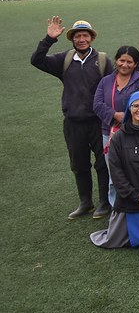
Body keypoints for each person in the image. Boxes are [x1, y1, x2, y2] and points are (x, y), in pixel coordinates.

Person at [32, 17, 114, 219]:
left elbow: (112, 89)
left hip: (98, 122)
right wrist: (49, 39)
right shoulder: (65, 60)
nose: (82, 39)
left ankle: (104, 203)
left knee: (103, 164)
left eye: (85, 35)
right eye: (77, 36)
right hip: (73, 123)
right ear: (72, 39)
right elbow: (37, 60)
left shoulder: (102, 60)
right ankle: (85, 202)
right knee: (79, 164)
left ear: (91, 38)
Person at [90, 92, 139, 248]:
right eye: (136, 106)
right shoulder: (118, 138)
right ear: (129, 108)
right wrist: (136, 196)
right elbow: (116, 173)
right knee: (115, 241)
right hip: (130, 200)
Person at [94, 46, 139, 144]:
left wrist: (132, 116)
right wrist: (114, 115)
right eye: (122, 60)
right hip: (110, 132)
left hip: (137, 132)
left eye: (129, 62)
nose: (124, 65)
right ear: (116, 60)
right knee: (112, 159)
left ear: (135, 64)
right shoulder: (105, 81)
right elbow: (97, 105)